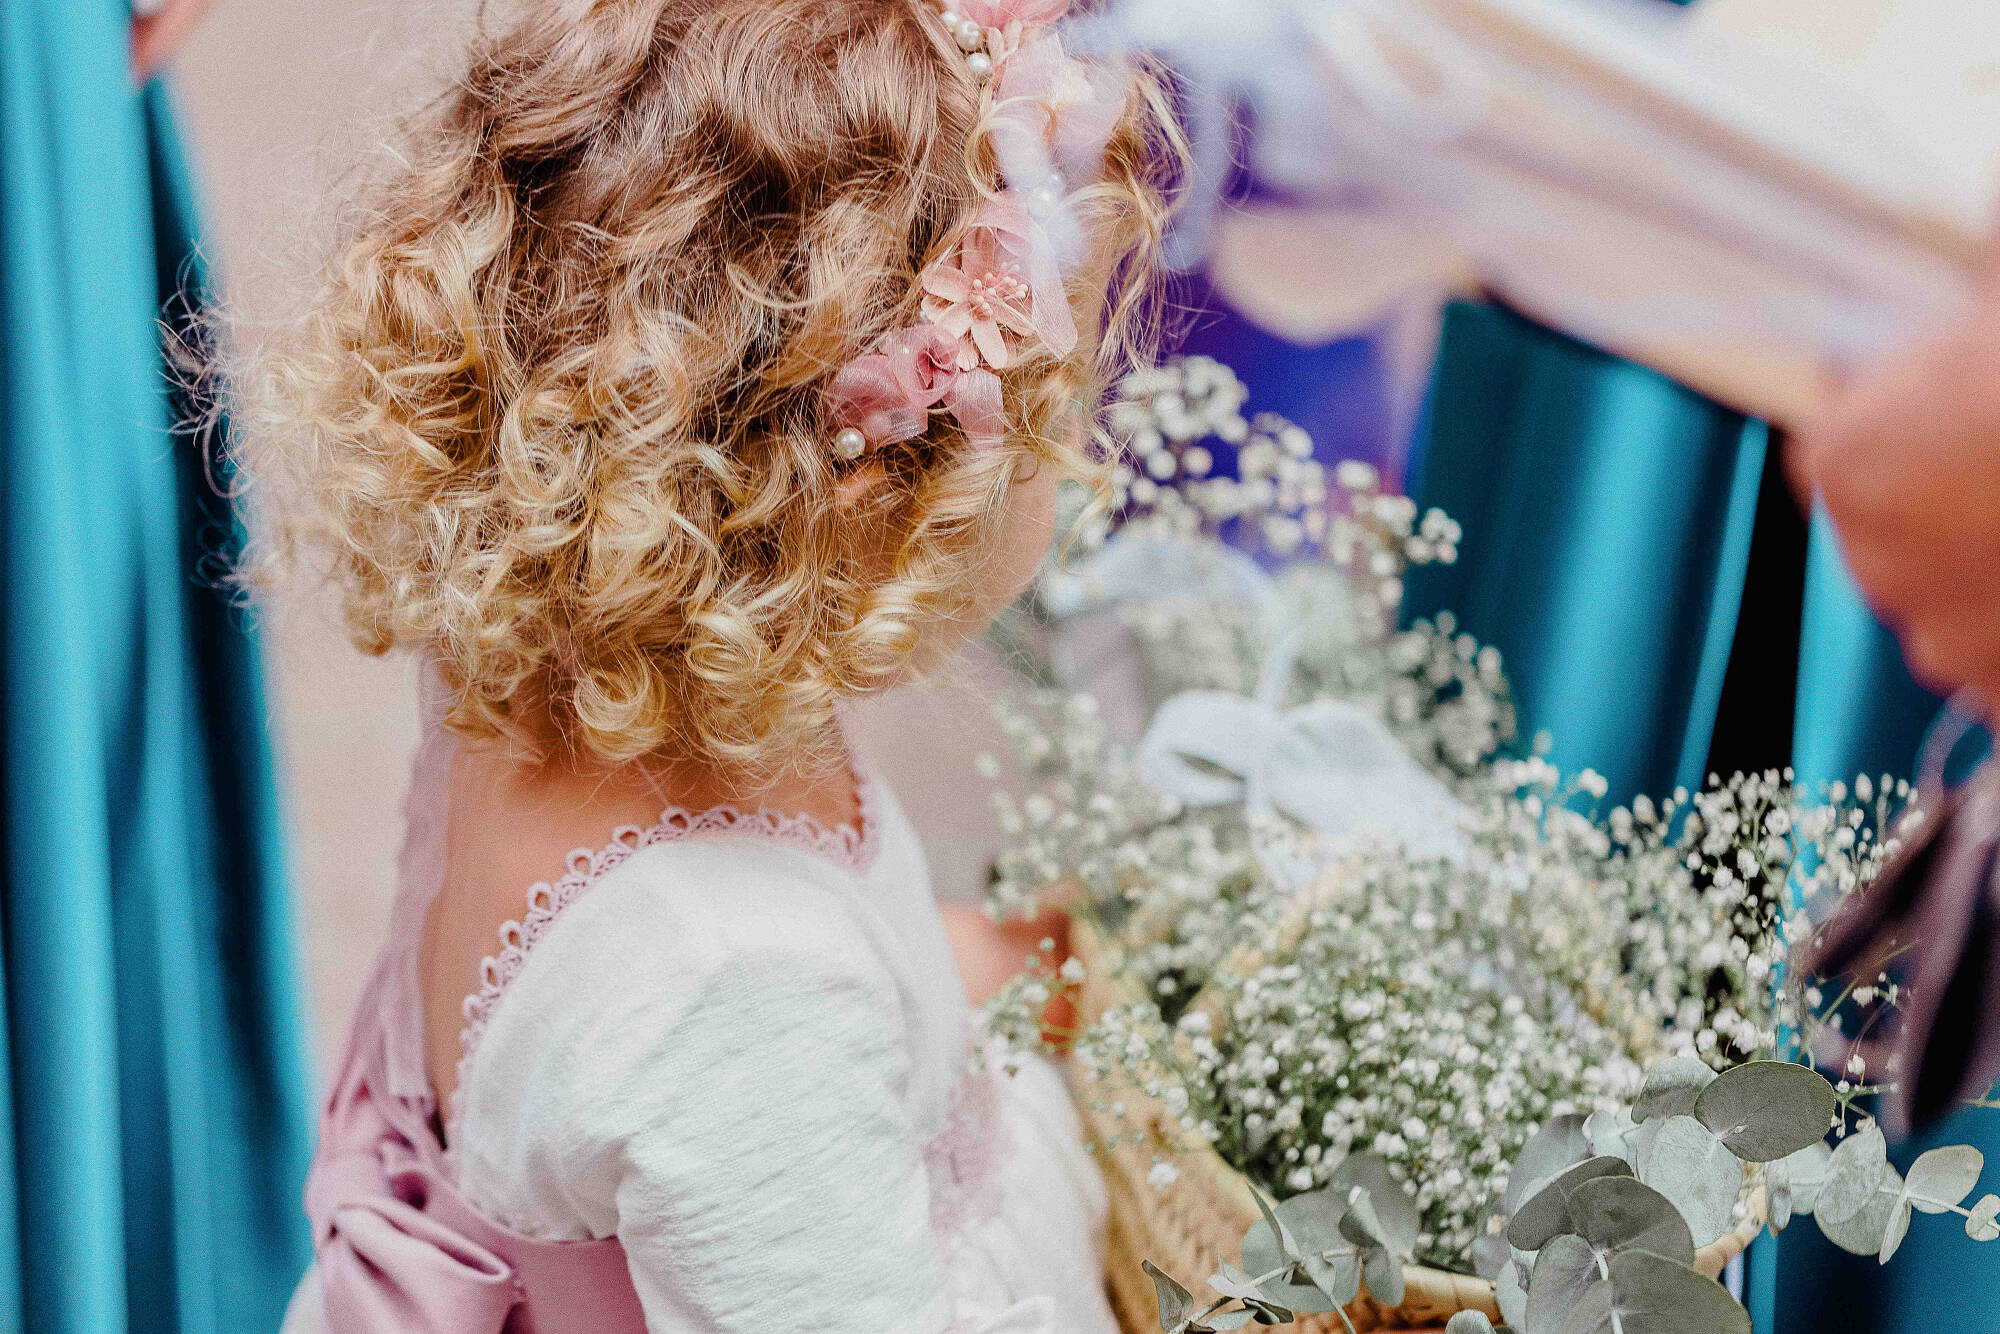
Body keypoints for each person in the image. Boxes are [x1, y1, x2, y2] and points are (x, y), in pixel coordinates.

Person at [232, 1, 1179, 1330]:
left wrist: (991, 956)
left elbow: (686, 1076)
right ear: (874, 493)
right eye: (1059, 408)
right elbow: (745, 1100)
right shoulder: (738, 982)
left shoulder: (540, 645)